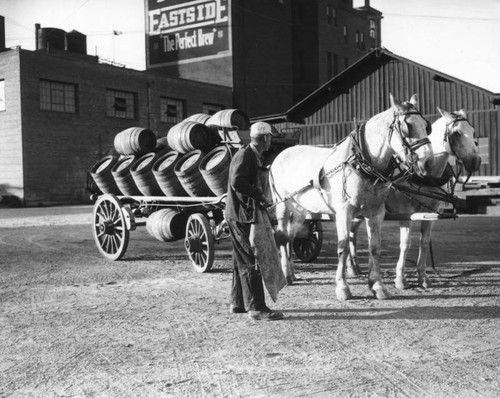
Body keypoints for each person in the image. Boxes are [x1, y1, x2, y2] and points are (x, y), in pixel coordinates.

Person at [225, 121, 284, 321]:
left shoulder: (250, 154)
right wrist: (260, 196)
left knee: (239, 261)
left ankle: (238, 302)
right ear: (265, 138)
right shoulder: (246, 155)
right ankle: (256, 307)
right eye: (270, 138)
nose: (270, 142)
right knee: (251, 259)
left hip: (238, 213)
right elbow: (237, 182)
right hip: (241, 215)